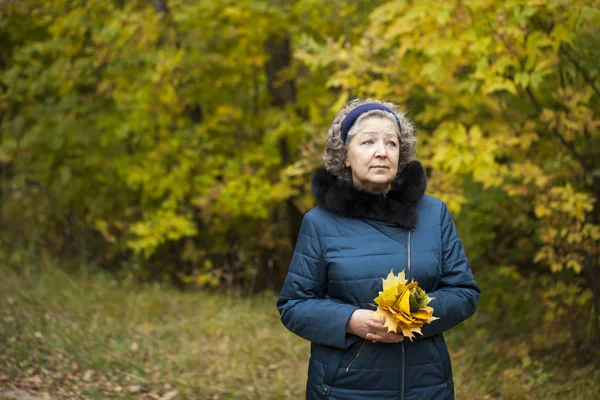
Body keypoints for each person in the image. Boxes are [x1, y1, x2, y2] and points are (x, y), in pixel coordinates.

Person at [277, 98, 480, 399]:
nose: (382, 152)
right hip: (343, 388)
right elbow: (294, 304)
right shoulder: (319, 223)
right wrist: (349, 321)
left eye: (391, 144)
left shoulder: (434, 214)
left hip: (425, 386)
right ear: (345, 155)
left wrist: (415, 314)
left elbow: (464, 292)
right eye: (368, 141)